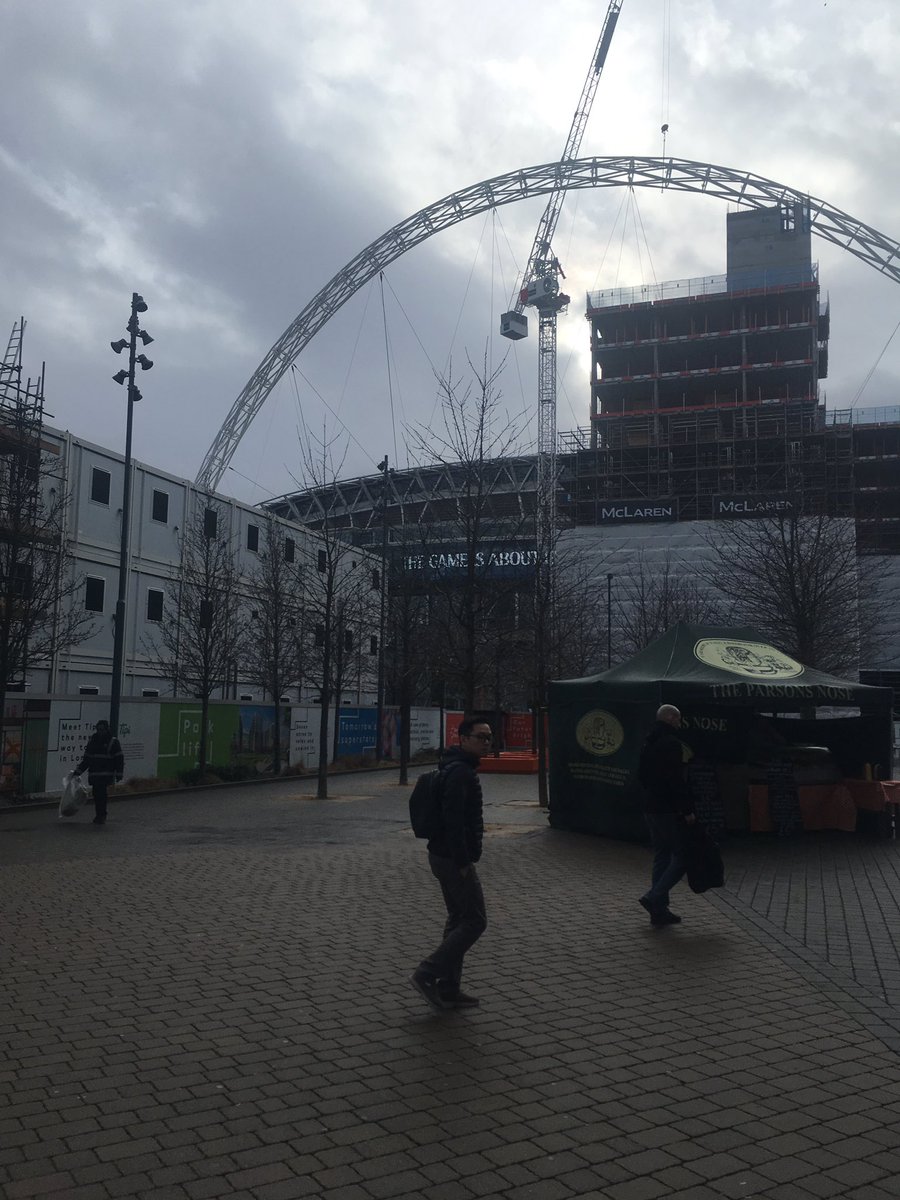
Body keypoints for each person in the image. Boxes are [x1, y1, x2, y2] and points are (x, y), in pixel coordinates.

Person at [410, 717, 491, 1011]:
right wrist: (463, 861)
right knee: (475, 921)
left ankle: (449, 987)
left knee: (458, 919)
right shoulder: (461, 774)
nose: (485, 742)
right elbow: (454, 821)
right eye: (480, 737)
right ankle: (428, 973)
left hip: (441, 855)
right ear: (463, 738)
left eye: (488, 738)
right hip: (452, 858)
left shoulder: (455, 768)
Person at [637, 704, 695, 927]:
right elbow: (676, 781)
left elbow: (642, 775)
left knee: (661, 855)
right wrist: (687, 810)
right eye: (678, 719)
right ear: (671, 718)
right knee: (682, 855)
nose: (680, 723)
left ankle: (659, 910)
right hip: (668, 808)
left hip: (650, 805)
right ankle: (653, 897)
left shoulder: (648, 741)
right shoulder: (671, 744)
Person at [75, 720, 124, 826]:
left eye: (102, 729)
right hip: (95, 774)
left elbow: (119, 758)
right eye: (98, 729)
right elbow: (87, 759)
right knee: (97, 795)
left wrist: (119, 773)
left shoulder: (113, 742)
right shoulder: (92, 741)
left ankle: (101, 815)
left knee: (101, 795)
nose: (99, 732)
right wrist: (77, 772)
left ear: (107, 729)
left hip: (105, 774)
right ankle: (99, 815)